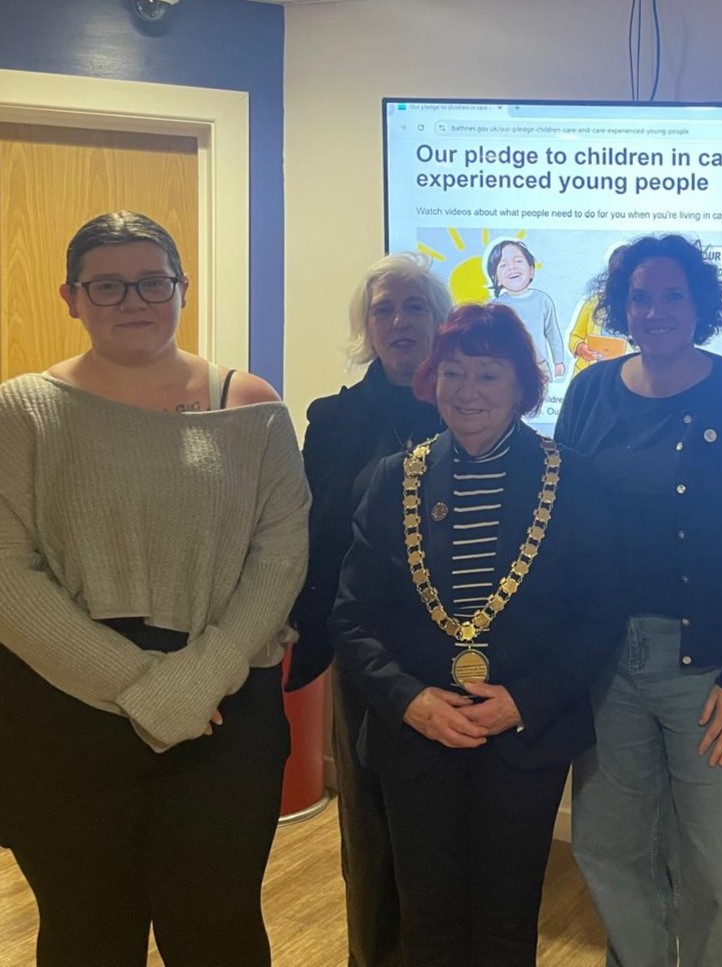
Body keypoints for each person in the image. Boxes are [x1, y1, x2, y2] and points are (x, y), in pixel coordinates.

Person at [0, 210, 309, 966]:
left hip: (223, 707)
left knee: (218, 930)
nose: (132, 300)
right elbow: (7, 572)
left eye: (152, 282)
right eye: (107, 285)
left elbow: (280, 555)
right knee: (86, 932)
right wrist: (143, 686)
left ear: (182, 288)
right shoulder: (21, 411)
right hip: (61, 705)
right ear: (71, 297)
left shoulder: (250, 403)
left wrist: (200, 678)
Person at [330, 303, 625, 967]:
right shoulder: (392, 479)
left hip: (522, 736)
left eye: (488, 375)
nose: (468, 391)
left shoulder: (573, 479)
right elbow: (353, 618)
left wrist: (522, 701)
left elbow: (599, 615)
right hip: (416, 734)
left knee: (505, 920)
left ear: (522, 387)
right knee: (425, 919)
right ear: (431, 379)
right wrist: (410, 700)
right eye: (453, 372)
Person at [555, 233, 722, 967]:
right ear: (620, 306)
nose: (654, 310)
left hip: (707, 667)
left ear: (700, 305)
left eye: (671, 295)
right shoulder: (589, 391)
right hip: (605, 662)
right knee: (610, 847)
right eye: (639, 296)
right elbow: (560, 518)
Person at [287, 252, 452, 966]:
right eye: (384, 309)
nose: (399, 321)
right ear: (367, 325)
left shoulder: (471, 406)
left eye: (415, 306)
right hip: (365, 653)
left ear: (440, 321)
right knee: (371, 833)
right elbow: (311, 534)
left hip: (463, 653)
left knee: (450, 837)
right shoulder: (332, 420)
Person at [487, 238, 566, 380]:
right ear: (495, 277)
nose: (512, 267)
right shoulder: (495, 307)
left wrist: (558, 360)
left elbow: (552, 332)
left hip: (539, 366)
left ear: (531, 270)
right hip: (508, 367)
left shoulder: (542, 300)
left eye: (518, 261)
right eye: (503, 265)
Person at [568, 244, 630, 374]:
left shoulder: (643, 308)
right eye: (616, 273)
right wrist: (580, 348)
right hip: (590, 375)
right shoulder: (593, 302)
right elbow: (575, 337)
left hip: (625, 376)